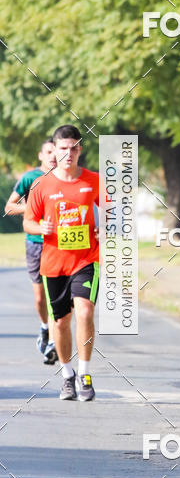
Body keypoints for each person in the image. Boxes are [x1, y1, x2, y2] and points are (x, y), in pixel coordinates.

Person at [24, 125, 100, 402]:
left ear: (80, 150)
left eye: (74, 148)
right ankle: (67, 374)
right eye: (63, 148)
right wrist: (39, 227)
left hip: (86, 260)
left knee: (85, 312)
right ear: (54, 150)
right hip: (54, 264)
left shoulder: (94, 180)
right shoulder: (41, 184)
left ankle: (85, 373)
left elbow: (114, 213)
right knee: (61, 321)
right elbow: (27, 221)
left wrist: (106, 229)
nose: (69, 154)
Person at [5, 138, 58, 364]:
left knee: (56, 296)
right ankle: (45, 328)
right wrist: (32, 205)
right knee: (39, 298)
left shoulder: (66, 178)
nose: (54, 156)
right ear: (40, 155)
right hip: (36, 242)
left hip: (59, 244)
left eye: (57, 152)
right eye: (49, 152)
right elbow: (9, 207)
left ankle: (54, 344)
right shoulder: (30, 178)